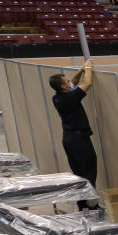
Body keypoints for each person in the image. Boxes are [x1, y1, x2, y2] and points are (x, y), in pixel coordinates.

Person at [48, 60, 100, 211]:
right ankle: (92, 207)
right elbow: (87, 83)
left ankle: (82, 206)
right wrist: (89, 68)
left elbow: (75, 82)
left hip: (69, 139)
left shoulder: (58, 96)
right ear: (64, 86)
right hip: (79, 140)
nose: (71, 82)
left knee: (78, 173)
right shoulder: (69, 98)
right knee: (89, 172)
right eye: (67, 81)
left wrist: (81, 70)